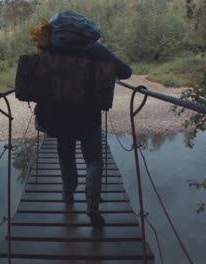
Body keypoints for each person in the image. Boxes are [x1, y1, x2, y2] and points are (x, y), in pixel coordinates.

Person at [34, 11, 132, 227]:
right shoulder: (93, 48)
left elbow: (33, 75)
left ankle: (68, 193)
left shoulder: (47, 47)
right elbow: (126, 72)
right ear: (85, 30)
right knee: (94, 159)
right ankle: (92, 205)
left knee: (66, 156)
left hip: (56, 114)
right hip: (89, 115)